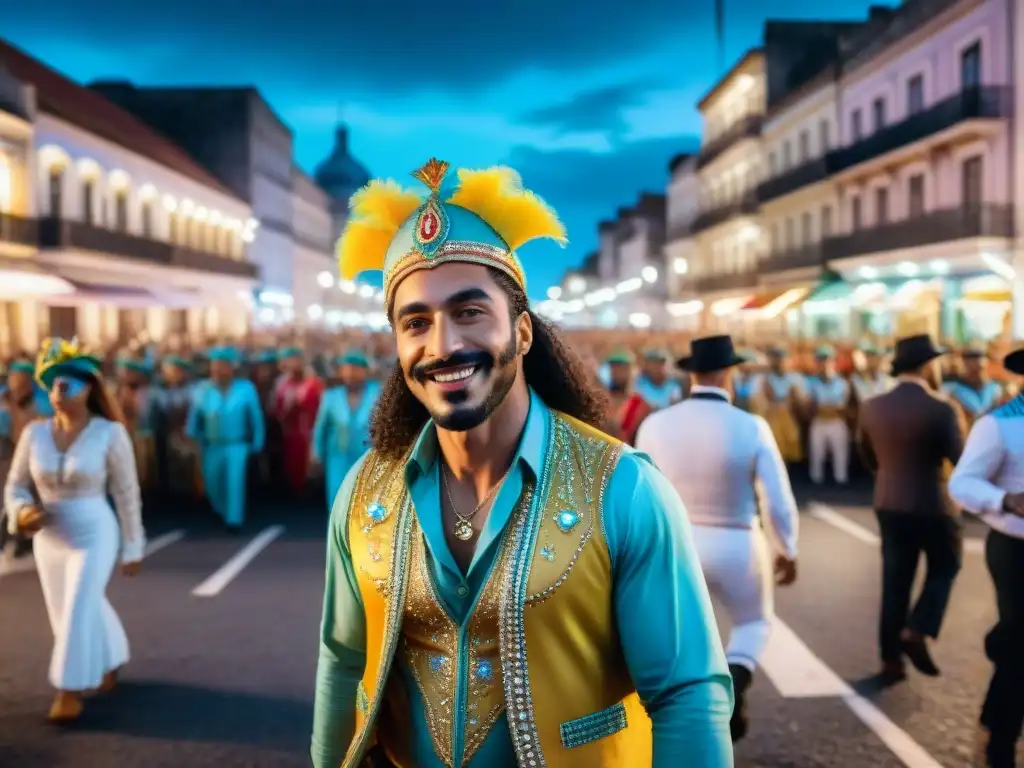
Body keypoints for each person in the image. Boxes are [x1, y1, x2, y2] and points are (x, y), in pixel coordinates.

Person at [311, 159, 733, 767]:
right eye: (416, 323)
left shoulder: (623, 489)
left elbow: (687, 695)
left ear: (524, 332)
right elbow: (341, 661)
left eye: (470, 311)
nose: (444, 345)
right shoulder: (364, 490)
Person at [636, 334, 798, 743]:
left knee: (679, 635)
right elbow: (776, 499)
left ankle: (687, 722)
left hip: (677, 544)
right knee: (753, 624)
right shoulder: (751, 426)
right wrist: (787, 549)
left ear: (692, 374)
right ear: (729, 372)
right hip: (738, 541)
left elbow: (641, 493)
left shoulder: (656, 424)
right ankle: (736, 681)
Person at [3, 337, 144, 722]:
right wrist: (21, 511)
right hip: (48, 538)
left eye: (68, 383)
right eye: (52, 384)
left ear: (90, 389)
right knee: (66, 611)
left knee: (80, 604)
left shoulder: (109, 433)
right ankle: (111, 656)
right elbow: (14, 485)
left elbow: (127, 492)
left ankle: (68, 690)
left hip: (95, 532)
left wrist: (134, 546)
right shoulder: (34, 433)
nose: (58, 391)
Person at [856, 334, 965, 684]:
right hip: (934, 503)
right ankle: (918, 629)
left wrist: (888, 476)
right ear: (929, 365)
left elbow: (867, 454)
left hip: (888, 501)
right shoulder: (942, 407)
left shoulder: (872, 405)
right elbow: (960, 460)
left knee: (895, 580)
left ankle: (891, 660)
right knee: (946, 565)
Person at [948, 346, 1024, 768]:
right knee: (1020, 645)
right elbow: (961, 484)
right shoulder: (999, 426)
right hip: (1016, 550)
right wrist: (1006, 499)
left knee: (1016, 645)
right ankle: (997, 739)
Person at [186, 346, 266, 530]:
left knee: (235, 481)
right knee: (212, 482)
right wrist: (191, 436)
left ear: (231, 368)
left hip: (236, 444)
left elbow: (256, 418)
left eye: (222, 366)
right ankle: (221, 511)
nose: (218, 370)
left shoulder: (245, 389)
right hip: (212, 445)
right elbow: (195, 416)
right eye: (215, 366)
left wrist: (257, 443)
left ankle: (234, 520)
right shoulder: (203, 389)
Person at [311, 350, 380, 511]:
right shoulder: (331, 396)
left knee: (367, 504)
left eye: (356, 370)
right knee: (338, 502)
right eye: (346, 370)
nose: (351, 375)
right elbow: (321, 427)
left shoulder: (378, 393)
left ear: (364, 371)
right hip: (338, 458)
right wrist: (316, 454)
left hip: (369, 458)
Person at [274, 347, 324, 496]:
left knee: (309, 465)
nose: (292, 365)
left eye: (295, 361)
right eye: (289, 362)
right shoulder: (282, 384)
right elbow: (278, 409)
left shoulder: (313, 383)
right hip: (290, 432)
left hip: (309, 431)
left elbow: (320, 406)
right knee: (292, 464)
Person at [805, 345, 852, 485]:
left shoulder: (842, 383)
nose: (824, 363)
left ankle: (841, 481)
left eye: (827, 360)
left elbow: (842, 407)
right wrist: (826, 408)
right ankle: (816, 481)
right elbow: (810, 405)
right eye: (820, 360)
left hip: (836, 421)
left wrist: (824, 407)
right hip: (819, 421)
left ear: (833, 362)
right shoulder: (811, 382)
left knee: (841, 454)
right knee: (816, 454)